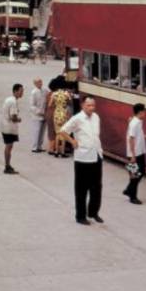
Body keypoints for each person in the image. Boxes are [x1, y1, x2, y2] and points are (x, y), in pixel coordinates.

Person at [58, 95, 104, 225]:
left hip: (96, 155)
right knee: (81, 189)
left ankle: (93, 212)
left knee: (96, 187)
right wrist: (72, 141)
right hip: (83, 158)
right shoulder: (77, 119)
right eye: (88, 105)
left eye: (93, 105)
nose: (91, 108)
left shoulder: (96, 117)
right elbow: (63, 131)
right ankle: (80, 216)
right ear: (83, 105)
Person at [123, 103, 146, 205]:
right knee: (135, 174)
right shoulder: (135, 123)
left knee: (139, 172)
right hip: (134, 154)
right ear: (140, 112)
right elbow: (131, 138)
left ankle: (129, 190)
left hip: (139, 152)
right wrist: (132, 155)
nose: (145, 114)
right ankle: (132, 196)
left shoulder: (138, 121)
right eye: (144, 111)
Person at [0, 83, 24, 174]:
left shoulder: (9, 99)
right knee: (9, 146)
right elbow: (13, 117)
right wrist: (19, 119)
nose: (22, 93)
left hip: (4, 125)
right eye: (21, 91)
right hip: (9, 128)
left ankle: (8, 165)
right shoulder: (13, 102)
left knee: (9, 146)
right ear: (15, 91)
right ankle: (7, 166)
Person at [50, 77, 71, 157]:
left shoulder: (54, 94)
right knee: (64, 133)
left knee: (57, 133)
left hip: (56, 113)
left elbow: (50, 105)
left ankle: (56, 151)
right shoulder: (66, 94)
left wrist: (56, 105)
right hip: (64, 113)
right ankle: (62, 152)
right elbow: (69, 103)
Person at [29, 78, 48, 153]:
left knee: (42, 131)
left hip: (44, 114)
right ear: (35, 84)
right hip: (37, 115)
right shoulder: (33, 92)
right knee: (36, 131)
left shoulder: (45, 90)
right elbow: (32, 105)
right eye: (38, 82)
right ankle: (34, 147)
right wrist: (39, 111)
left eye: (41, 81)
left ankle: (40, 146)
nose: (40, 83)